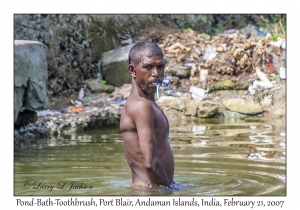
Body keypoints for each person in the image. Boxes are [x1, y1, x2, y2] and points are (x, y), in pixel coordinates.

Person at [120, 41, 174, 188]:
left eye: (160, 67)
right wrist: (170, 193)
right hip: (150, 193)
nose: (156, 73)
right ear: (132, 70)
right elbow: (150, 164)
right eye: (148, 67)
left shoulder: (146, 103)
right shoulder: (141, 106)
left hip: (152, 189)